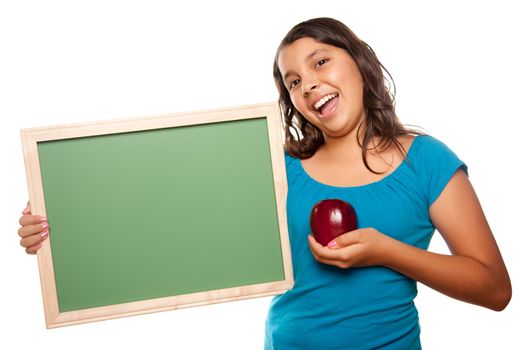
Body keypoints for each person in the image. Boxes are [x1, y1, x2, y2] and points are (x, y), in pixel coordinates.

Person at [18, 17, 511, 350]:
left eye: (320, 62)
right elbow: (166, 221)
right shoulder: (277, 167)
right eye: (292, 81)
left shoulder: (426, 161)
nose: (308, 83)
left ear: (359, 62)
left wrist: (386, 251)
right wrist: (58, 221)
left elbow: (494, 288)